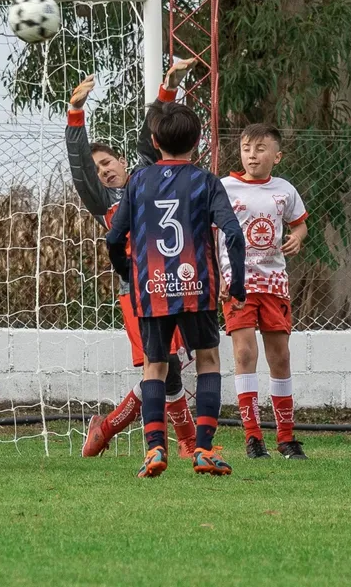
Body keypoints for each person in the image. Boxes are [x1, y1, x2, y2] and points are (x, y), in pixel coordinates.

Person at [66, 60, 199, 458]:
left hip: (172, 281)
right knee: (163, 367)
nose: (102, 171)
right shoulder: (103, 200)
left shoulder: (147, 175)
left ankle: (106, 429)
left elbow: (150, 136)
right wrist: (76, 113)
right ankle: (189, 444)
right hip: (136, 290)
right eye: (96, 169)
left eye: (106, 163)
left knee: (168, 367)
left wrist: (168, 89)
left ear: (122, 162)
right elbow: (80, 170)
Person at [106, 102, 247, 478]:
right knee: (208, 361)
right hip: (196, 285)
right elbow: (233, 233)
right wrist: (238, 283)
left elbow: (114, 238)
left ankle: (154, 451)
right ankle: (203, 449)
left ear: (154, 141)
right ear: (198, 142)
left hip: (151, 289)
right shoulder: (206, 182)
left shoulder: (137, 181)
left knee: (154, 366)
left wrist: (129, 273)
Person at [217, 124, 309, 460]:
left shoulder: (284, 190)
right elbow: (210, 235)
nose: (252, 155)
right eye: (246, 148)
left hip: (274, 283)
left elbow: (300, 223)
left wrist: (298, 235)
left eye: (260, 148)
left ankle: (286, 437)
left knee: (280, 356)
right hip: (238, 282)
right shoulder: (224, 188)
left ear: (277, 155)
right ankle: (253, 438)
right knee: (244, 354)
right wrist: (220, 277)